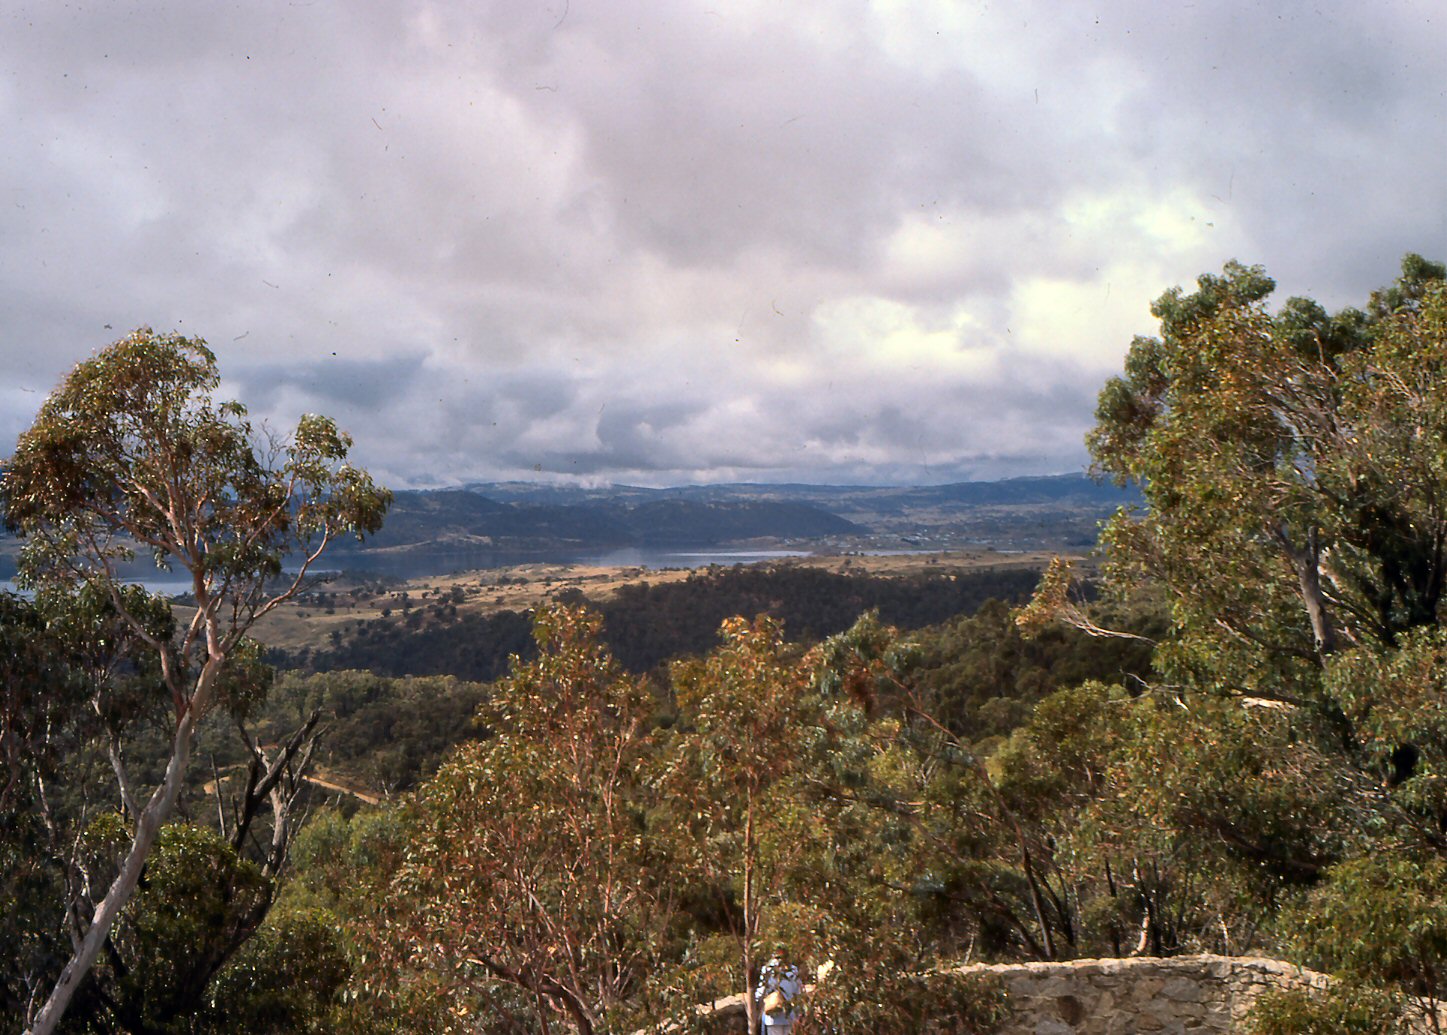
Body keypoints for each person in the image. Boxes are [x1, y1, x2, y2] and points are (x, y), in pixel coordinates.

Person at [754, 947, 803, 1034]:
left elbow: (762, 990)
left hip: (773, 1013)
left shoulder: (768, 969)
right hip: (790, 1015)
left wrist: (756, 999)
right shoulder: (793, 970)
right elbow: (798, 991)